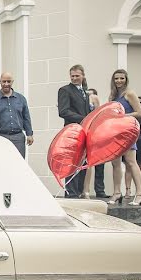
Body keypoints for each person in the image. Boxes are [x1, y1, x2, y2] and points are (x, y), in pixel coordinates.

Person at [108, 70, 141, 206]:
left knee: (131, 162)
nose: (119, 81)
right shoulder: (112, 95)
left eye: (121, 78)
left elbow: (140, 113)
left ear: (126, 79)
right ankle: (117, 192)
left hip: (127, 131)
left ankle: (139, 193)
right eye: (116, 78)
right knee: (115, 163)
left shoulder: (130, 94)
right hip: (115, 132)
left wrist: (123, 116)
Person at [57, 64, 92, 198]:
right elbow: (63, 111)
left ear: (83, 76)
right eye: (72, 76)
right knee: (72, 162)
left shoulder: (84, 92)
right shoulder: (65, 90)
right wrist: (84, 119)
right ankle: (71, 193)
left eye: (77, 76)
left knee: (82, 162)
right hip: (72, 131)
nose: (75, 78)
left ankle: (79, 192)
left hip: (84, 132)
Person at [0, 72, 34, 158]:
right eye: (4, 81)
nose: (6, 84)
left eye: (8, 81)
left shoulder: (21, 99)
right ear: (0, 82)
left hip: (18, 137)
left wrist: (29, 134)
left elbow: (26, 117)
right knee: (2, 162)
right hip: (0, 137)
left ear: (12, 82)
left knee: (19, 163)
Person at [81, 87, 109, 199]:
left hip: (97, 134)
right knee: (86, 164)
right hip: (85, 133)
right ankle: (85, 190)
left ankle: (100, 190)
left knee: (99, 164)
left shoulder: (98, 109)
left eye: (92, 95)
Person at [125, 96, 141, 199]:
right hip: (130, 140)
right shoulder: (130, 116)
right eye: (137, 102)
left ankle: (139, 190)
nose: (139, 104)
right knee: (128, 166)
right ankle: (127, 190)